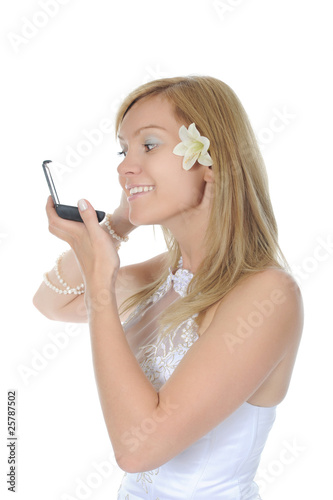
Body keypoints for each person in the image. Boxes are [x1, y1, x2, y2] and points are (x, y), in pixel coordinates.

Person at [33, 75, 304, 499]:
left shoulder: (268, 295)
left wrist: (101, 282)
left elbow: (138, 450)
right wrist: (117, 224)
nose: (124, 166)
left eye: (149, 145)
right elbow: (51, 301)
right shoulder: (169, 273)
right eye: (124, 150)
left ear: (210, 160)